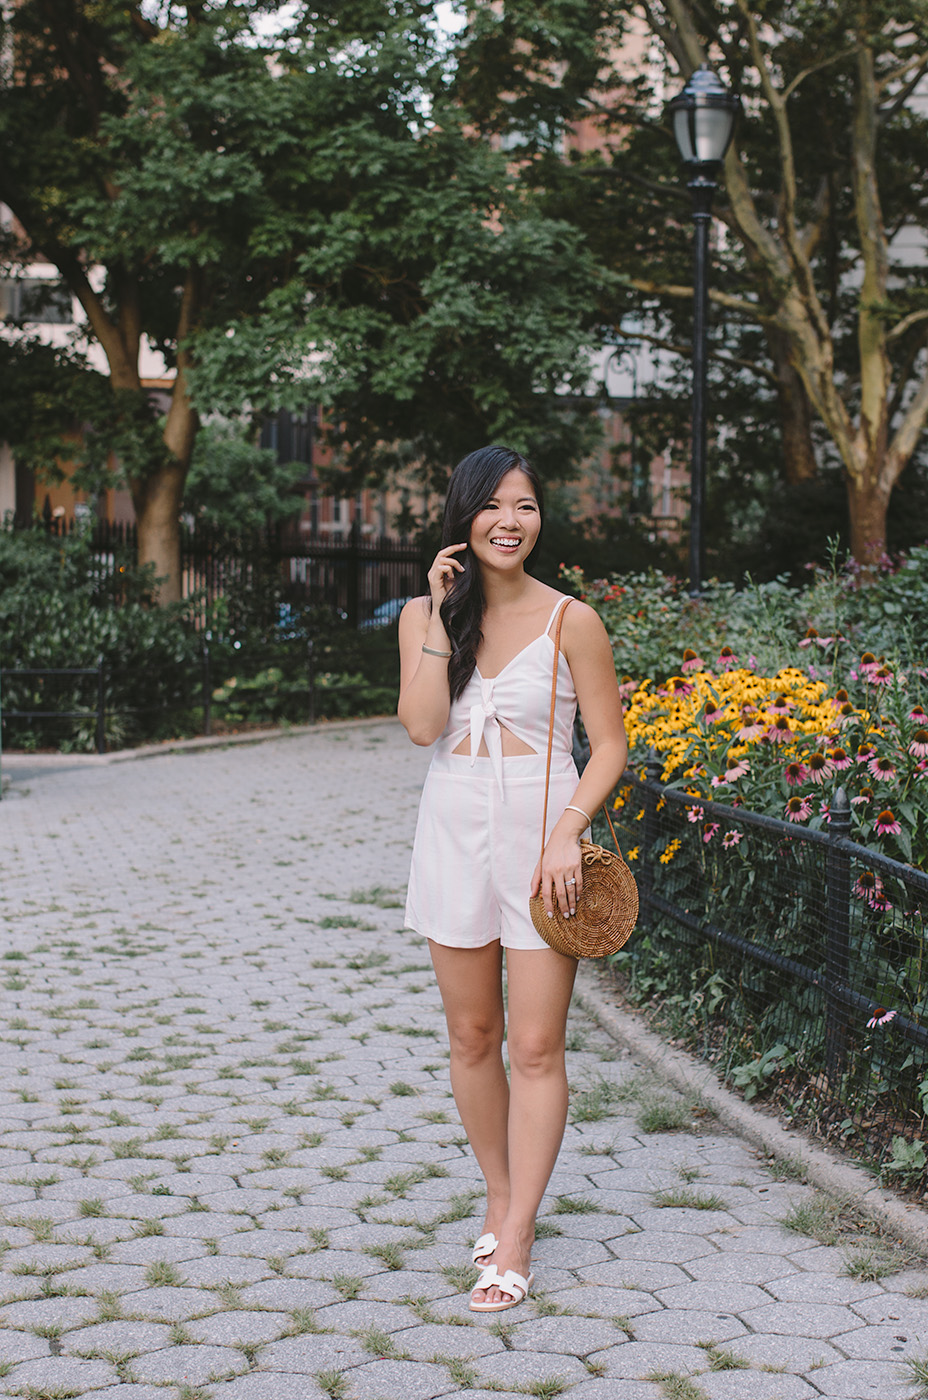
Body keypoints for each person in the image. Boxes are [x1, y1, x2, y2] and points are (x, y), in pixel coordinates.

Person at [397, 444, 628, 1313]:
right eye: (492, 505)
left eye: (524, 505)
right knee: (471, 1036)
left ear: (539, 519)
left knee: (534, 1046)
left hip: (543, 847)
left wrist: (569, 832)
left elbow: (610, 745)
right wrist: (437, 615)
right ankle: (499, 1195)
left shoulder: (573, 620)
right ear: (464, 517)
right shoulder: (424, 616)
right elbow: (423, 727)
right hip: (452, 835)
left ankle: (520, 1230)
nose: (509, 521)